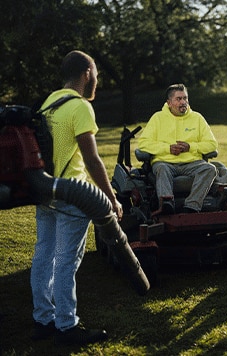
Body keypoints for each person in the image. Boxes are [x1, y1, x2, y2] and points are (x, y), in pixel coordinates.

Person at [31, 50, 123, 345]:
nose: (97, 78)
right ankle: (67, 326)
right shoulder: (80, 106)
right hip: (73, 196)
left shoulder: (48, 102)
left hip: (45, 191)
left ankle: (43, 319)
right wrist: (111, 197)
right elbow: (93, 160)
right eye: (96, 72)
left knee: (44, 255)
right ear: (86, 73)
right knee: (67, 260)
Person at [138, 83, 218, 214]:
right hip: (165, 163)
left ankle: (192, 206)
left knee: (209, 169)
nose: (183, 102)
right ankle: (166, 204)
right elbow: (143, 143)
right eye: (179, 99)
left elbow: (212, 144)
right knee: (162, 169)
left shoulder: (197, 118)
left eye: (185, 98)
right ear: (169, 103)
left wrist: (190, 147)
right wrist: (167, 149)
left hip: (192, 163)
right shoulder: (158, 118)